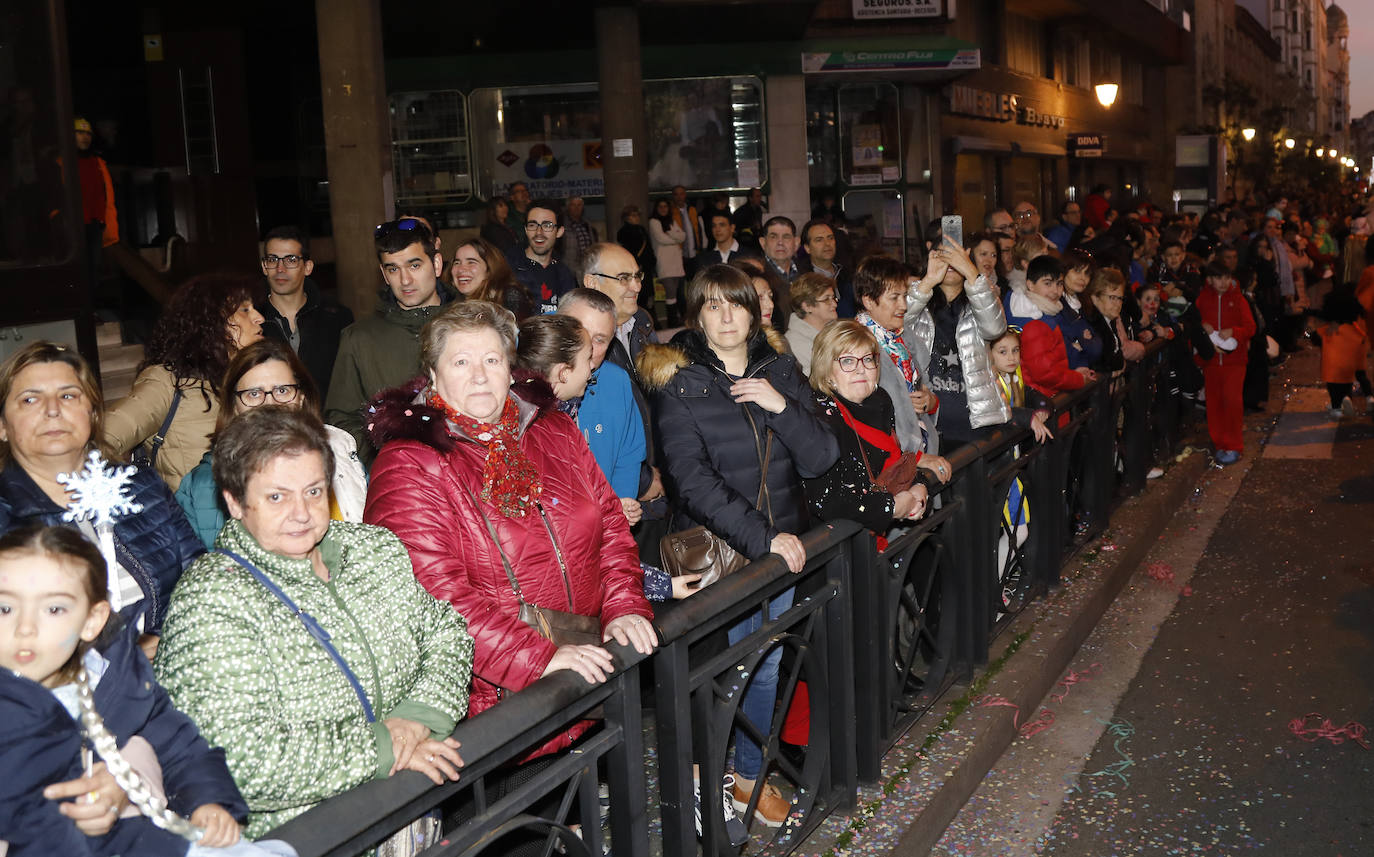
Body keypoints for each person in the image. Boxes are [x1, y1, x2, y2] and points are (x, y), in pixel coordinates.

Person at [154, 407, 474, 839]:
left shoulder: (373, 550)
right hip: (309, 839)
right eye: (276, 496)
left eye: (313, 491)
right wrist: (382, 748)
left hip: (413, 818)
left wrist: (417, 719)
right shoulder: (212, 599)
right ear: (233, 501)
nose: (301, 513)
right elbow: (240, 759)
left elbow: (446, 634)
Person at [362, 300, 656, 757]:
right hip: (496, 716)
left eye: (492, 360)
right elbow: (435, 600)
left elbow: (611, 530)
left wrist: (623, 607)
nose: (479, 375)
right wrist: (539, 659)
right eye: (461, 362)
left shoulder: (552, 430)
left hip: (586, 678)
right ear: (433, 376)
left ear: (510, 368)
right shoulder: (409, 463)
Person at [636, 264, 838, 827]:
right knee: (736, 669)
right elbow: (690, 480)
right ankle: (722, 779)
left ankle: (739, 775)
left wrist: (780, 406)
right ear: (696, 315)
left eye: (736, 304)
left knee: (767, 664)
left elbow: (823, 456)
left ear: (754, 310)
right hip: (724, 551)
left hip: (783, 551)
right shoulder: (679, 382)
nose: (726, 317)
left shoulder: (780, 369)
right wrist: (765, 539)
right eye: (712, 306)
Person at [0, 524, 300, 857]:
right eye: (5, 608)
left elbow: (177, 744)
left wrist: (205, 800)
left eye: (54, 609)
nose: (24, 628)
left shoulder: (113, 678)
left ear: (92, 620)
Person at [0, 341, 203, 650]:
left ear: (93, 413)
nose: (53, 410)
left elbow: (200, 581)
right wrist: (123, 659)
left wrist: (169, 643)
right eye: (30, 399)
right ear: (2, 426)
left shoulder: (143, 487)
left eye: (68, 395)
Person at [174, 340, 368, 550]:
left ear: (301, 398)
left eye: (283, 390)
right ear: (234, 405)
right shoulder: (202, 485)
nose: (270, 403)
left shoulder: (343, 452)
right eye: (254, 394)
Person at [105, 274, 264, 492]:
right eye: (244, 310)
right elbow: (103, 439)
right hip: (187, 523)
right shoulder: (168, 383)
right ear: (210, 320)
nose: (259, 318)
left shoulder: (256, 382)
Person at [325, 218, 455, 467]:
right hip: (393, 479)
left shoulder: (474, 327)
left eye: (414, 265)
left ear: (436, 264)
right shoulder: (359, 338)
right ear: (384, 274)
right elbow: (341, 420)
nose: (405, 280)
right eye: (393, 269)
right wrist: (387, 459)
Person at [803, 321, 932, 539]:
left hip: (873, 539)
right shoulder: (817, 414)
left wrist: (919, 485)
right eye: (847, 361)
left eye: (868, 359)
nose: (861, 369)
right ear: (826, 369)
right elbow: (825, 500)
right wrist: (889, 508)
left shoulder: (880, 400)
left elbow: (893, 464)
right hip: (832, 548)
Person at [903, 235, 1011, 448]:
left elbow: (995, 328)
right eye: (944, 255)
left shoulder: (982, 299)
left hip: (975, 422)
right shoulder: (920, 302)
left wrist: (972, 272)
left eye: (957, 257)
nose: (951, 263)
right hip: (928, 422)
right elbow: (897, 324)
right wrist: (927, 282)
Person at [853, 256, 948, 479]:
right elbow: (862, 419)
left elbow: (928, 393)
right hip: (887, 468)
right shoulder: (854, 348)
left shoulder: (904, 340)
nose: (904, 306)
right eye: (894, 298)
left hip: (921, 454)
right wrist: (913, 458)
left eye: (905, 296)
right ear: (868, 301)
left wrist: (930, 402)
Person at [557, 289, 646, 521]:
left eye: (600, 340)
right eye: (579, 332)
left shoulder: (617, 381)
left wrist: (620, 506)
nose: (588, 347)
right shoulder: (528, 387)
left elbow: (629, 455)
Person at [255, 225, 353, 404]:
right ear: (264, 266)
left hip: (329, 426)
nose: (280, 268)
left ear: (307, 267)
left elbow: (349, 385)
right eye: (272, 259)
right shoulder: (252, 322)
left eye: (290, 259)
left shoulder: (338, 318)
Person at [1006, 256, 1096, 402]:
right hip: (1042, 402)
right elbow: (1044, 374)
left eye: (1059, 284)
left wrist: (1073, 372)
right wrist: (1078, 379)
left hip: (1043, 399)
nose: (1055, 291)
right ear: (1030, 285)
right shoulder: (1034, 322)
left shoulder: (1042, 313)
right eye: (1047, 283)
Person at [1194, 263, 1255, 464]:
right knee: (1214, 403)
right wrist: (1203, 328)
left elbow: (1250, 327)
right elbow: (1193, 325)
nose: (1223, 282)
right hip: (1211, 362)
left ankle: (1234, 445)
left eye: (1226, 278)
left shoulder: (1238, 299)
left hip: (1234, 361)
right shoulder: (1202, 300)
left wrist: (1233, 331)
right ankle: (1220, 443)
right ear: (1210, 280)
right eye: (1218, 278)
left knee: (1232, 400)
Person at [509, 199, 578, 315]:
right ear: (526, 230)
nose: (539, 232)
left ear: (559, 232)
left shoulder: (565, 275)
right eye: (532, 225)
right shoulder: (508, 269)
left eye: (547, 225)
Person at [74, 117, 117, 292]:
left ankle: (92, 308)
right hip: (75, 224)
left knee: (94, 268)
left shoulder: (98, 162)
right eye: (79, 133)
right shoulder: (63, 162)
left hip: (95, 223)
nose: (84, 137)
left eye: (87, 133)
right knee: (79, 268)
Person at [1314, 285, 1371, 417]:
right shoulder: (1354, 329)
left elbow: (1315, 338)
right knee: (1347, 382)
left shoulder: (1328, 329)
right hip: (1349, 366)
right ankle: (1346, 398)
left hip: (1332, 367)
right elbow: (1362, 339)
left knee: (1333, 387)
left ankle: (1336, 407)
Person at [449, 237, 534, 321]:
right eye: (457, 263)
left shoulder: (507, 297)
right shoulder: (449, 301)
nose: (461, 269)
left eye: (471, 262)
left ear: (490, 268)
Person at [798, 219, 855, 318]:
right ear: (807, 248)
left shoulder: (847, 274)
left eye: (830, 238)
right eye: (819, 240)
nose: (827, 244)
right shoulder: (802, 279)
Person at [785, 272, 840, 373]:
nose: (834, 304)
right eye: (826, 299)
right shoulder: (793, 344)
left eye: (833, 298)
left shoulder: (837, 332)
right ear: (807, 306)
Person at [1058, 249, 1103, 371]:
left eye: (1087, 274)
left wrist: (1082, 344)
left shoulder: (1083, 304)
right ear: (1064, 271)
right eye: (1077, 271)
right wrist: (1085, 341)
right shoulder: (1056, 304)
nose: (1083, 278)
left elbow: (1097, 347)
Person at [649, 198, 687, 327]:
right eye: (660, 206)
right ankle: (672, 324)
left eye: (665, 206)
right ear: (656, 208)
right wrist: (675, 238)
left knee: (679, 295)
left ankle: (679, 322)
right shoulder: (653, 221)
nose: (663, 209)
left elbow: (683, 236)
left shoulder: (671, 221)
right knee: (671, 295)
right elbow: (661, 239)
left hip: (677, 264)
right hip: (664, 265)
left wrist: (671, 234)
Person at [616, 205, 656, 311]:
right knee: (639, 295)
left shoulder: (641, 230)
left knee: (648, 294)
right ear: (626, 217)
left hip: (646, 267)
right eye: (633, 215)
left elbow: (648, 248)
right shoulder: (624, 232)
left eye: (638, 215)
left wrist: (651, 261)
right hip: (635, 268)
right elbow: (629, 250)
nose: (637, 217)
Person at [560, 196, 598, 275]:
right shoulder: (561, 224)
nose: (576, 208)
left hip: (586, 266)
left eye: (579, 205)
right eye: (573, 205)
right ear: (568, 207)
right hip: (568, 267)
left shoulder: (588, 225)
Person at [759, 216, 800, 284]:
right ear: (763, 243)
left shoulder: (808, 272)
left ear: (796, 243)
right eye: (773, 237)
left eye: (786, 237)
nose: (780, 243)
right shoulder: (755, 274)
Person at [505, 181, 532, 246]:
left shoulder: (534, 210)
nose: (523, 193)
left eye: (525, 190)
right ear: (512, 197)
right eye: (518, 191)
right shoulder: (508, 215)